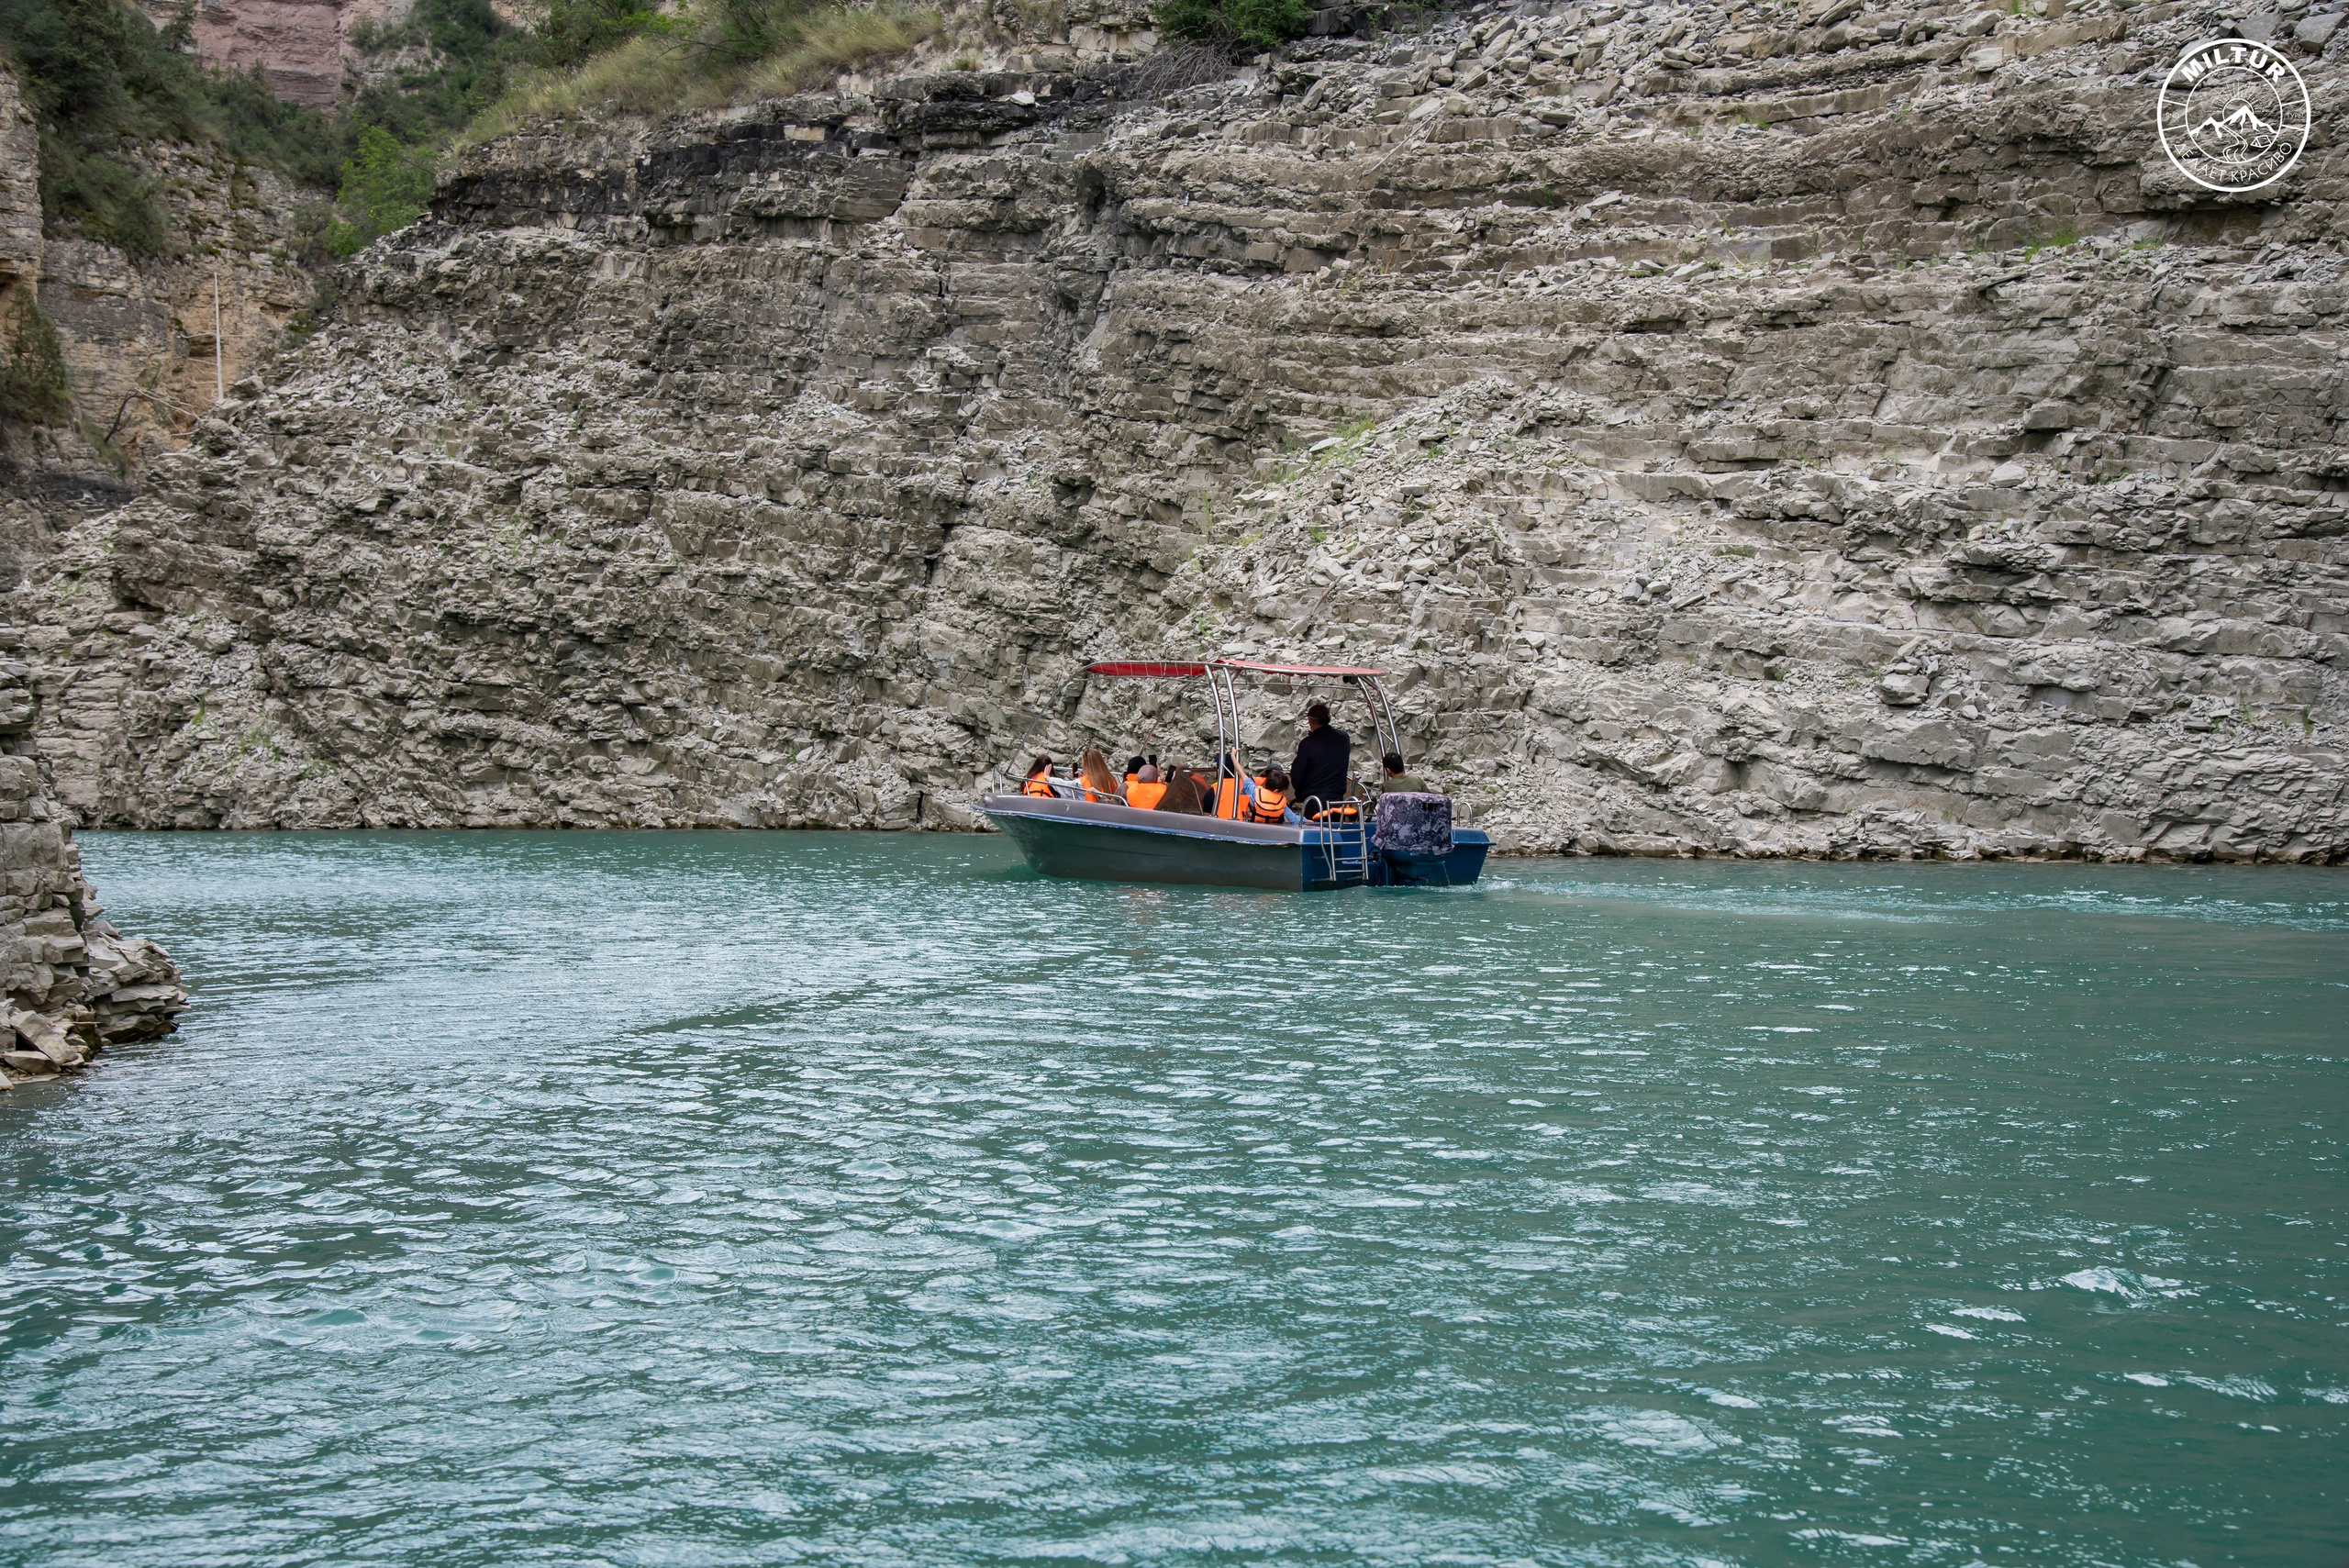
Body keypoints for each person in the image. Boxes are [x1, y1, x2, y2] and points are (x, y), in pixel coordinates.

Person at [1289, 701, 1352, 813]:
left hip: (1315, 801)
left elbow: (1297, 773)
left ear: (1311, 720)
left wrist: (1299, 794)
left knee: (1315, 829)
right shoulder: (1344, 738)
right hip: (1337, 800)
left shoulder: (1307, 744)